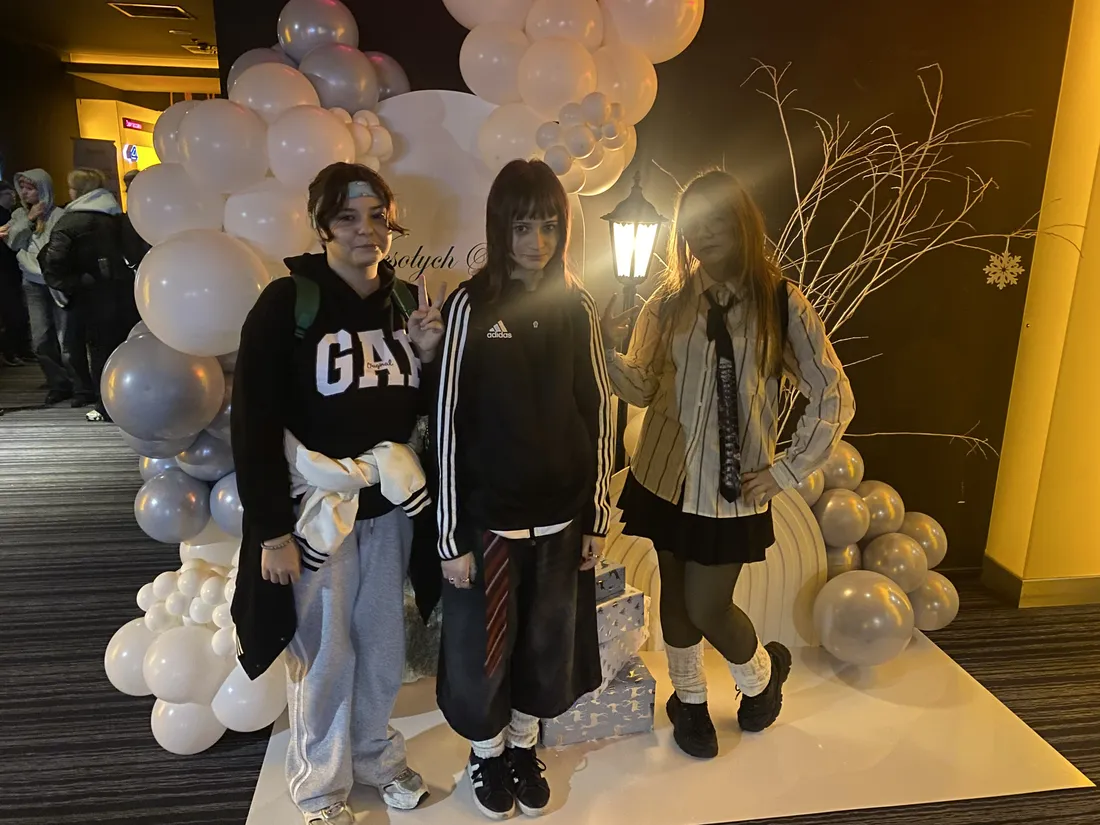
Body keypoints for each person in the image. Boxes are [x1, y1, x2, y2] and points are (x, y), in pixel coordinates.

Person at [602, 169, 855, 759]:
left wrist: (786, 471)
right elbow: (642, 389)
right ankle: (689, 701)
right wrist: (608, 347)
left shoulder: (780, 302)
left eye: (718, 219)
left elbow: (832, 393)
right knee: (673, 594)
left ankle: (761, 677)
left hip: (729, 488)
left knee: (707, 605)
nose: (706, 232)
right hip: (663, 475)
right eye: (695, 222)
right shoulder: (668, 304)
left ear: (742, 223)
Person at [229, 162, 443, 825]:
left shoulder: (404, 301)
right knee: (324, 653)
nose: (364, 230)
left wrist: (428, 356)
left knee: (382, 646)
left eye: (377, 216)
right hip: (313, 514)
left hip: (386, 508)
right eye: (347, 218)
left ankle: (376, 756)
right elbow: (253, 421)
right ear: (321, 225)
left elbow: (423, 416)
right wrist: (271, 531)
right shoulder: (287, 304)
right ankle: (321, 786)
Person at [433, 159, 612, 820]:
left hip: (561, 521)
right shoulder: (471, 306)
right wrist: (449, 535)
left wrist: (596, 516)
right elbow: (447, 422)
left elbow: (599, 412)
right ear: (499, 228)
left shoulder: (578, 306)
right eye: (522, 226)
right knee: (483, 655)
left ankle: (522, 747)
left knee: (545, 646)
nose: (537, 241)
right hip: (489, 522)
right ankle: (485, 754)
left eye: (549, 225)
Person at [39, 168, 139, 421]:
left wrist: (72, 283)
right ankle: (130, 400)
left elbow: (53, 262)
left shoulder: (70, 222)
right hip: (125, 293)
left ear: (78, 191)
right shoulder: (119, 218)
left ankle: (106, 404)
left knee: (99, 352)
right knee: (125, 348)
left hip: (91, 297)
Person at [0, 169, 70, 404]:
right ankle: (57, 383)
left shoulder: (60, 215)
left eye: (30, 188)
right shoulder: (19, 214)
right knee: (40, 336)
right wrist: (29, 219)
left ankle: (77, 381)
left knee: (65, 336)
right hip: (31, 281)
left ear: (43, 189)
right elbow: (12, 242)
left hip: (57, 281)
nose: (25, 193)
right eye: (23, 188)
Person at [0, 180, 32, 366]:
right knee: (12, 312)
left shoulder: (12, 214)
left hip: (13, 270)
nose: (13, 197)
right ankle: (11, 351)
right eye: (8, 194)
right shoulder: (6, 215)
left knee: (18, 312)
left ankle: (20, 349)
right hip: (5, 271)